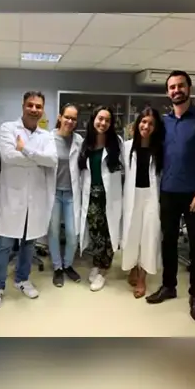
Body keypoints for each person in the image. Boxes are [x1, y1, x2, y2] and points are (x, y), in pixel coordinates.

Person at [146, 70, 195, 322]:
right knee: (168, 242)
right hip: (168, 192)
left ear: (189, 88)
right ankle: (169, 286)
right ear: (167, 92)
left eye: (180, 85)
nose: (176, 90)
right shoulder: (164, 123)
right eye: (172, 87)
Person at [0, 91, 57, 311]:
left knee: (29, 243)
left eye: (38, 106)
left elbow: (52, 160)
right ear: (23, 105)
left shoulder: (47, 135)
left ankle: (22, 279)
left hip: (35, 197)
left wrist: (24, 149)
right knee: (4, 245)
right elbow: (8, 157)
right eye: (30, 105)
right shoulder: (8, 128)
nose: (34, 109)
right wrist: (38, 158)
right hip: (12, 197)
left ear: (42, 109)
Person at [78, 106, 123, 292]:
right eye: (100, 118)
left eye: (107, 120)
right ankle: (97, 263)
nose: (103, 123)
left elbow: (127, 169)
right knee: (96, 233)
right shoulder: (86, 144)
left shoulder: (116, 143)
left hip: (110, 196)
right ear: (93, 120)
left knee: (109, 233)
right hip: (92, 196)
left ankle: (103, 270)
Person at [122, 107, 165, 298]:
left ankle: (142, 277)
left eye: (151, 123)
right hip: (132, 196)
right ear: (137, 123)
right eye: (143, 122)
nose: (146, 126)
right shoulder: (127, 147)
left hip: (151, 197)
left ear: (156, 128)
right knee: (131, 234)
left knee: (149, 236)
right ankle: (132, 266)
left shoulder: (160, 150)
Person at [48, 103, 83, 287]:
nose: (70, 121)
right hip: (53, 192)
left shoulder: (79, 140)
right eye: (67, 117)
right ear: (60, 117)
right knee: (53, 231)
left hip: (71, 193)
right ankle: (57, 267)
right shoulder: (48, 138)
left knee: (72, 232)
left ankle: (68, 264)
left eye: (73, 119)